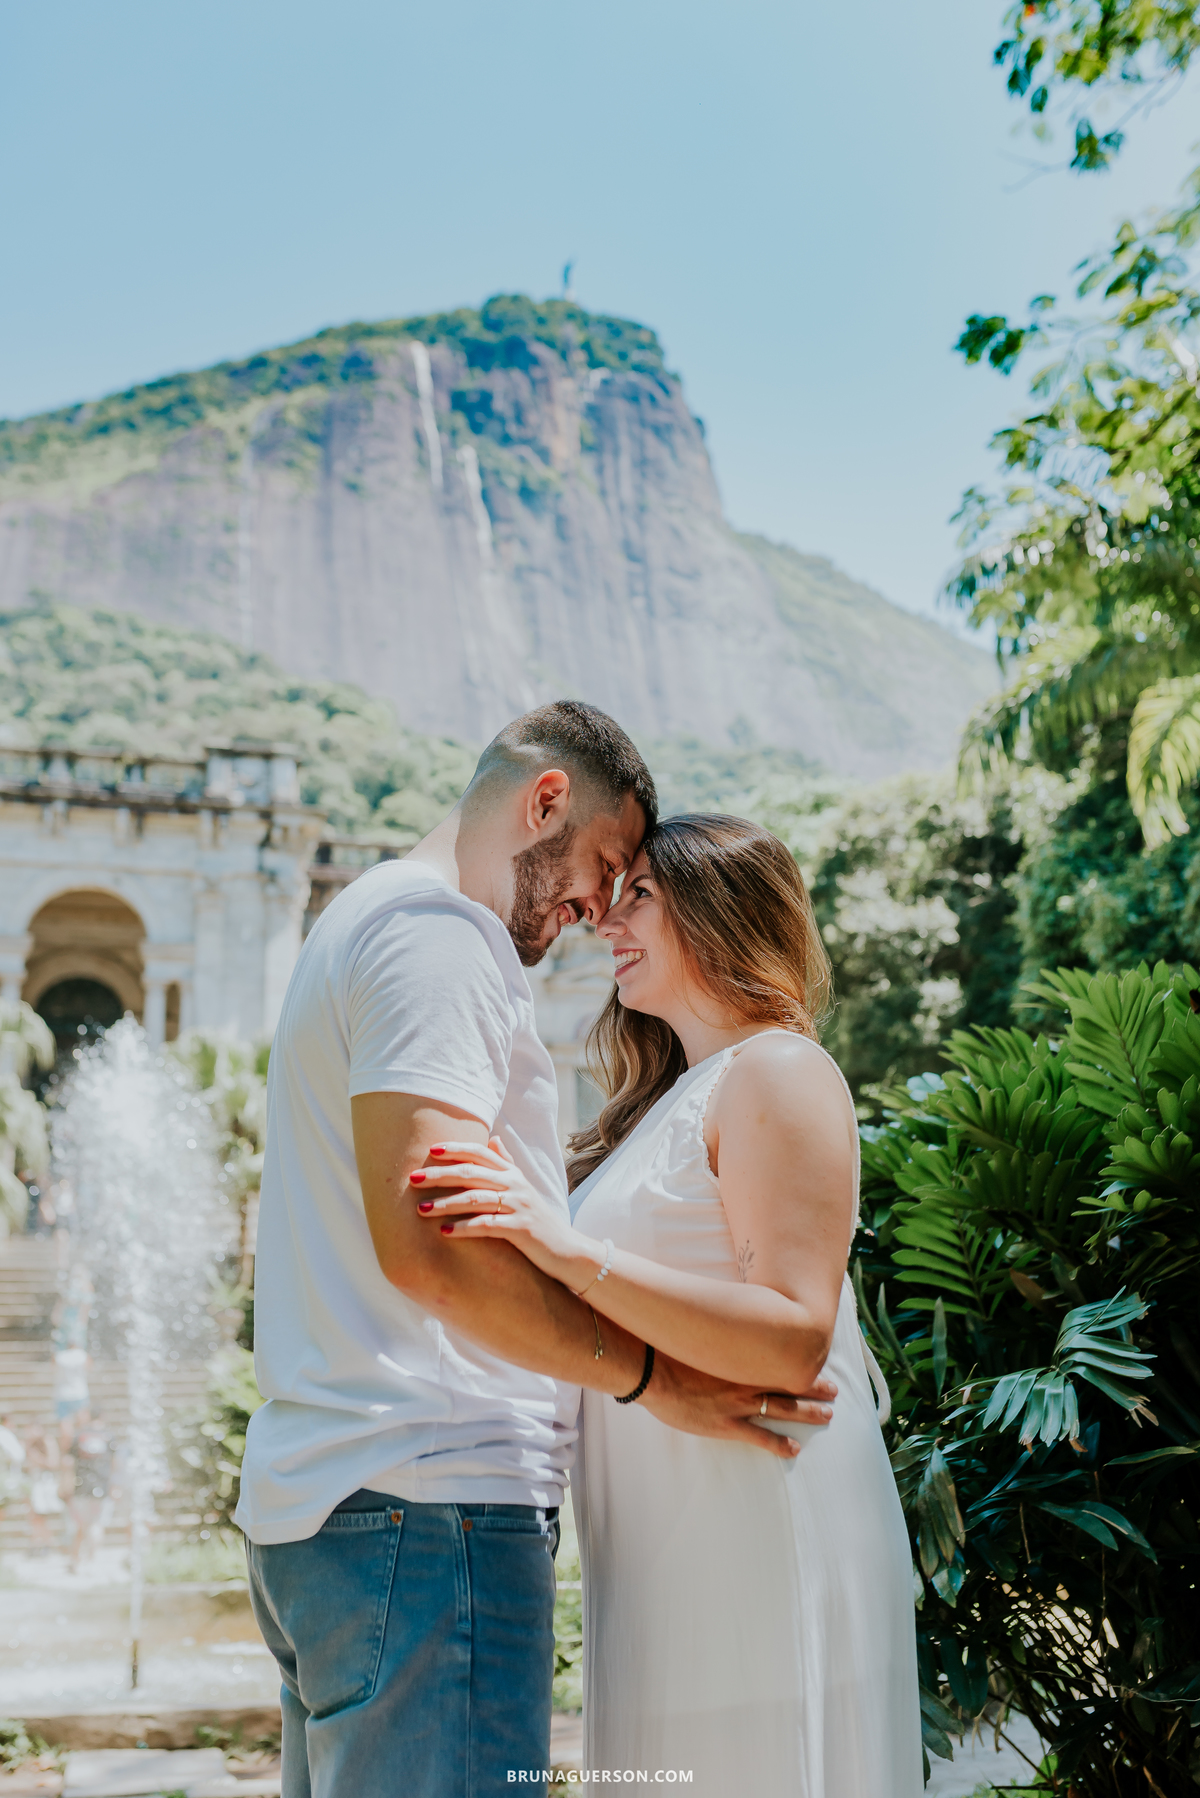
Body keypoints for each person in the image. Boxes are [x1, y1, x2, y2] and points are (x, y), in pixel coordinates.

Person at [237, 708, 834, 1798]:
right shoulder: (439, 940)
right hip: (429, 1508)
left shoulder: (366, 919)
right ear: (546, 799)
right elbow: (436, 1255)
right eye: (608, 866)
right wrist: (656, 1381)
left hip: (355, 1509)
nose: (598, 908)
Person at [416, 815, 923, 1796]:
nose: (608, 920)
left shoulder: (778, 1070)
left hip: (753, 1518)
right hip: (661, 1540)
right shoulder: (665, 1106)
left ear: (720, 909)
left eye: (640, 894)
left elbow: (795, 1334)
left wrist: (567, 1246)